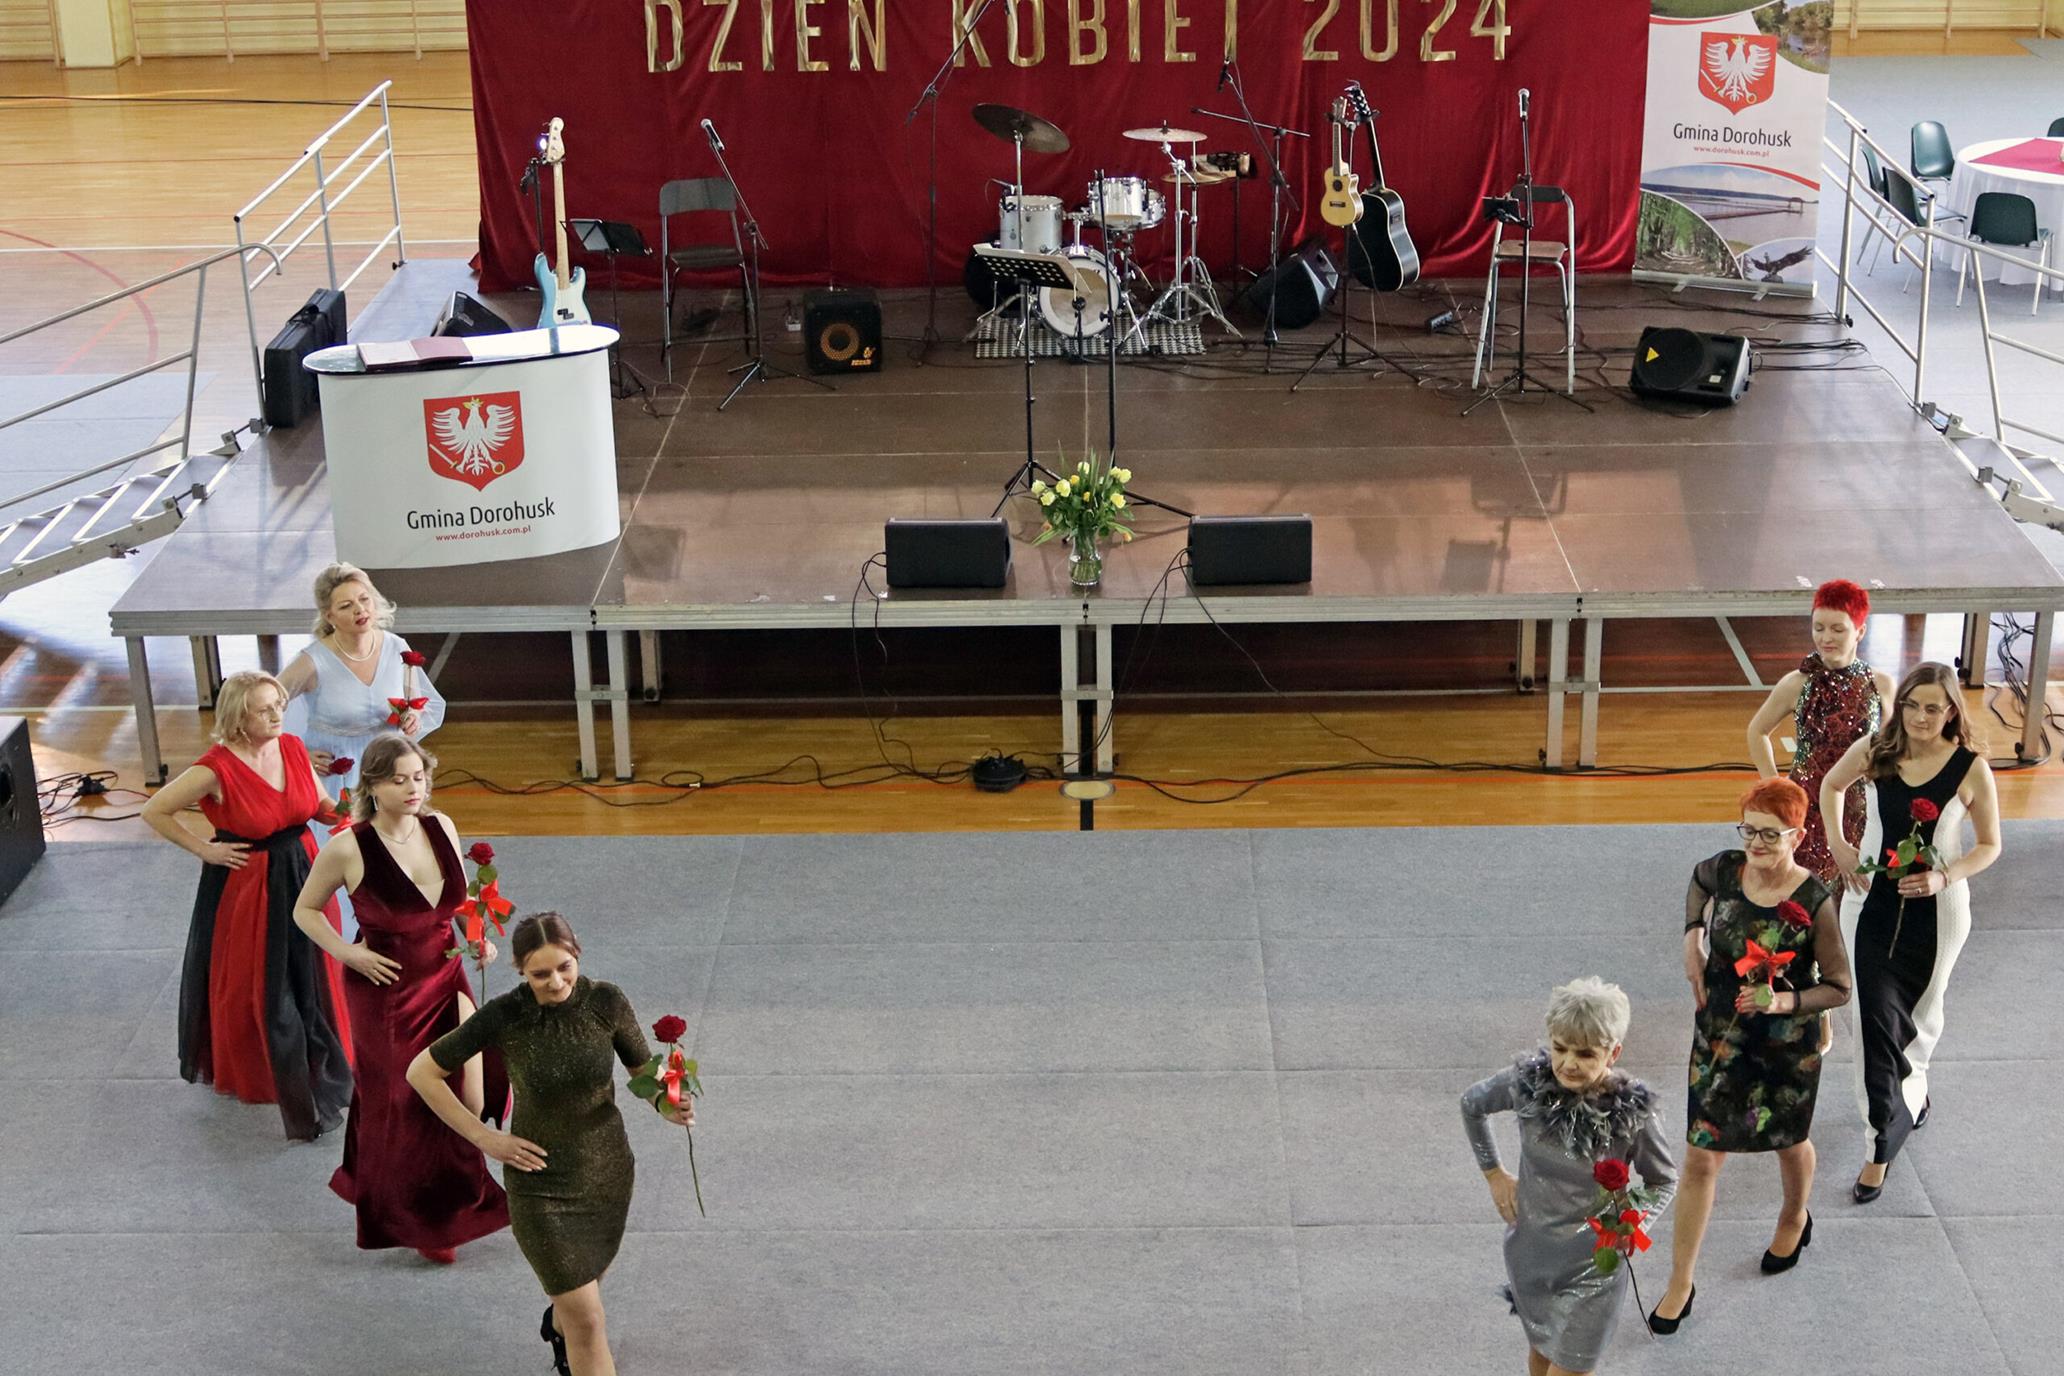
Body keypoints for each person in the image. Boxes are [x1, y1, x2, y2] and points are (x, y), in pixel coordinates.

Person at [407, 913, 693, 1376]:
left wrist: (667, 1103)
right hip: (539, 1185)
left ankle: (559, 1328)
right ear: (520, 969)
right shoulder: (505, 1015)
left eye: (565, 968)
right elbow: (422, 1072)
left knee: (585, 1288)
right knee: (589, 1319)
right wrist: (484, 1137)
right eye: (540, 974)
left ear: (577, 956)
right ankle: (572, 1332)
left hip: (606, 1172)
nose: (556, 982)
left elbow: (643, 1072)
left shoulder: (606, 1002)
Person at [292, 733, 509, 1264]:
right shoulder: (349, 846)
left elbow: (458, 903)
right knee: (406, 1103)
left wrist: (477, 938)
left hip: (446, 978)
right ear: (372, 785)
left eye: (419, 778)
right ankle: (422, 1220)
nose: (414, 789)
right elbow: (305, 910)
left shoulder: (442, 827)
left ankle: (453, 1201)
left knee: (470, 1096)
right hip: (386, 994)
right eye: (399, 780)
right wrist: (348, 953)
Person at [1647, 779, 1853, 1335]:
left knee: (1789, 1141)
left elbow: (1838, 987)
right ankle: (1681, 1281)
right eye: (1749, 830)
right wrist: (1691, 937)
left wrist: (1781, 1000)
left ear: (1797, 836)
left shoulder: (1814, 900)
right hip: (1720, 1034)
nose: (1756, 843)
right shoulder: (1725, 869)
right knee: (1700, 1156)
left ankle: (1794, 1216)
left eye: (1771, 834)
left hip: (1785, 1045)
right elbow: (1697, 882)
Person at [142, 669, 353, 1141]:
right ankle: (263, 1071)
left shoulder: (292, 747)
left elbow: (320, 807)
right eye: (265, 709)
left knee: (315, 967)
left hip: (305, 869)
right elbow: (154, 809)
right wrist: (205, 849)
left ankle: (317, 1055)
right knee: (260, 981)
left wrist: (352, 815)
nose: (277, 715)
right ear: (238, 718)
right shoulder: (214, 769)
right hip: (250, 885)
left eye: (279, 705)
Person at [1820, 661, 2001, 1203]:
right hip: (1868, 905)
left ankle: (1913, 1091)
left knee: (1922, 1015)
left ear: (1951, 712)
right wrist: (1839, 844)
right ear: (1899, 706)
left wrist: (1945, 875)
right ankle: (1880, 1142)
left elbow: (1989, 846)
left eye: (1933, 708)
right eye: (1912, 705)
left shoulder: (1970, 768)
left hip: (1939, 911)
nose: (1920, 717)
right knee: (1873, 1021)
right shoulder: (1876, 749)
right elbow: (1831, 785)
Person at [1461, 977, 1677, 1376]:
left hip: (1593, 1266)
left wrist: (1633, 1224)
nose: (1568, 1063)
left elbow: (1663, 1180)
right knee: (1541, 1354)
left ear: (1613, 1052)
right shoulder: (1526, 1086)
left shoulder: (1632, 1115)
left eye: (1585, 1053)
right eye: (1560, 1048)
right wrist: (1494, 1174)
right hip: (1532, 1254)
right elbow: (1472, 1104)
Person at [1745, 579, 1895, 884]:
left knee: (1857, 886)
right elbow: (1757, 731)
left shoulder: (1880, 685)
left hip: (1859, 805)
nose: (1826, 638)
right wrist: (1775, 785)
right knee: (1803, 888)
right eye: (1818, 628)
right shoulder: (1796, 683)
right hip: (1806, 803)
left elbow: (1893, 747)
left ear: (1860, 632)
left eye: (1837, 629)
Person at [280, 562, 447, 801]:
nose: (360, 610)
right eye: (346, 606)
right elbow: (260, 711)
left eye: (364, 599)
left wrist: (412, 716)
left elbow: (414, 701)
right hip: (335, 777)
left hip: (389, 766)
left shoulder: (397, 647)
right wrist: (298, 755)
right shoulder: (311, 661)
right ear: (329, 616)